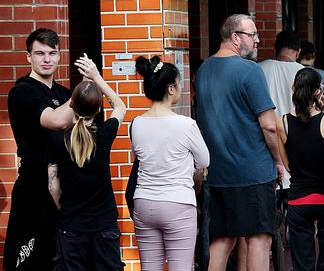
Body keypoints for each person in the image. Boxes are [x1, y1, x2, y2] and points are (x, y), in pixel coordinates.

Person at [195, 14, 282, 271]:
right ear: (235, 37)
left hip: (219, 172)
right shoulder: (250, 70)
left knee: (222, 239)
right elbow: (269, 125)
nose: (257, 40)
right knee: (259, 238)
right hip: (253, 170)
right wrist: (277, 159)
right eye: (252, 35)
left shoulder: (203, 71)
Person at [47, 55, 127, 270]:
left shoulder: (57, 139)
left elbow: (53, 186)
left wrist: (66, 209)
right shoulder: (104, 133)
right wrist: (96, 76)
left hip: (71, 224)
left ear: (71, 105)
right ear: (99, 109)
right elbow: (120, 106)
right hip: (104, 224)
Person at [5, 28, 74, 271]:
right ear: (29, 57)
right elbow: (57, 120)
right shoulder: (21, 92)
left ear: (59, 56)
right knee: (32, 262)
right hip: (34, 187)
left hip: (63, 187)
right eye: (40, 53)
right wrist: (86, 90)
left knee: (62, 259)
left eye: (52, 53)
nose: (47, 59)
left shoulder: (64, 93)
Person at [131, 56, 210, 270]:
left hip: (144, 202)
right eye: (180, 82)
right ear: (171, 89)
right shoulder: (186, 125)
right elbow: (204, 160)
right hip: (178, 203)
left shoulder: (136, 123)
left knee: (149, 266)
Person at [276, 68, 324, 271]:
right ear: (317, 92)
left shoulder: (283, 123)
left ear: (292, 88)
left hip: (299, 198)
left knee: (302, 262)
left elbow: (287, 165)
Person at [259, 31, 305, 191]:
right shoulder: (304, 73)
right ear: (298, 52)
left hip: (265, 151)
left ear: (275, 48)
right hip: (298, 152)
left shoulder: (259, 70)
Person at [298, 40, 324, 106]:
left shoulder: (292, 71)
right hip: (316, 114)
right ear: (313, 55)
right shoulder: (323, 75)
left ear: (298, 53)